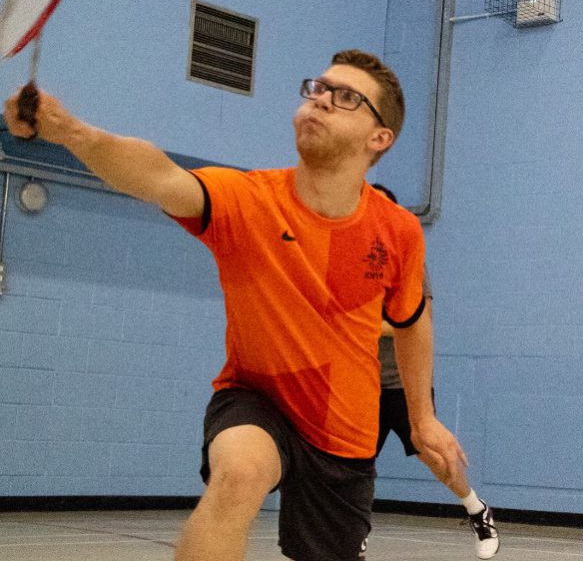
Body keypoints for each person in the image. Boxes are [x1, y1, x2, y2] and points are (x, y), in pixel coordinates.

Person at [5, 49, 468, 561]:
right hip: (256, 398)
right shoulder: (249, 199)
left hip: (344, 429)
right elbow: (158, 176)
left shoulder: (398, 231)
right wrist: (72, 131)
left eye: (346, 98)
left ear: (379, 138)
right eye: (317, 88)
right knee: (239, 475)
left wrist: (423, 420)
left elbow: (411, 321)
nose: (320, 101)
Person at [372, 183, 500, 560]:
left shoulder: (408, 261)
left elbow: (414, 322)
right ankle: (355, 533)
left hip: (401, 383)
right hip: (358, 382)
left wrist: (357, 322)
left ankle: (478, 512)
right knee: (353, 467)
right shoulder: (348, 259)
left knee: (434, 457)